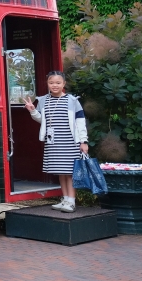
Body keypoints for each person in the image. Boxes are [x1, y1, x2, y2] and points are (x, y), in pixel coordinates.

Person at [24, 71, 89, 213]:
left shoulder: (72, 100)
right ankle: (65, 199)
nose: (55, 85)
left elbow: (80, 122)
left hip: (70, 142)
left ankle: (71, 202)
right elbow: (42, 121)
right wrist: (33, 111)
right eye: (51, 82)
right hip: (53, 142)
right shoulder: (43, 100)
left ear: (64, 84)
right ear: (47, 84)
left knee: (70, 172)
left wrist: (83, 141)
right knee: (61, 171)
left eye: (58, 83)